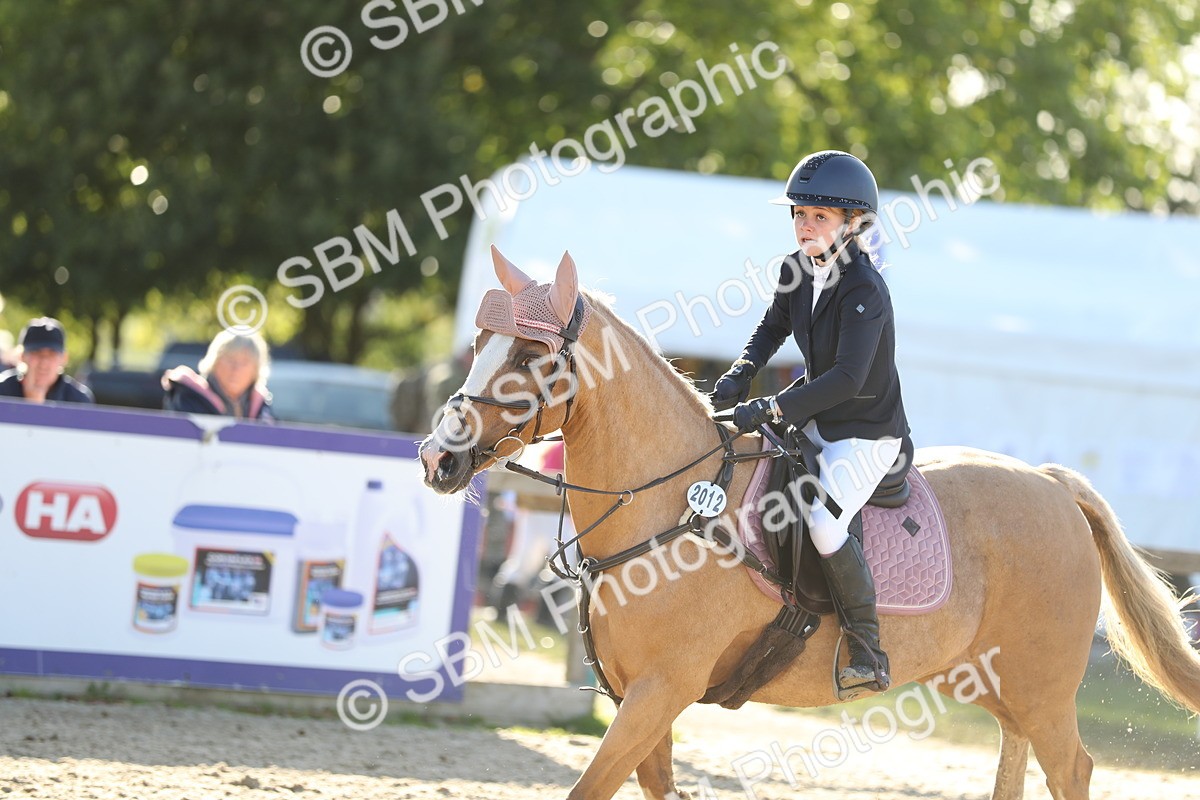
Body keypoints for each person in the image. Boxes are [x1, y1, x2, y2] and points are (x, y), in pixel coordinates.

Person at [711, 150, 911, 696]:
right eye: (799, 213)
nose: (805, 225)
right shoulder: (796, 269)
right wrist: (741, 372)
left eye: (819, 216)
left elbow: (847, 378)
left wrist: (772, 407)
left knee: (824, 523)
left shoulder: (864, 288)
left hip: (864, 433)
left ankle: (867, 648)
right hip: (815, 416)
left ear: (853, 223)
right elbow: (771, 327)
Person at [162, 330, 274, 420]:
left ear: (256, 370)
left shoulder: (263, 409)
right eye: (230, 359)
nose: (236, 369)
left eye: (244, 362)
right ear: (214, 361)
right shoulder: (187, 399)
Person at [0, 317, 94, 403]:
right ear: (22, 356)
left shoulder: (78, 400)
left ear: (64, 358)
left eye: (52, 354)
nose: (44, 362)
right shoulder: (3, 390)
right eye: (36, 353)